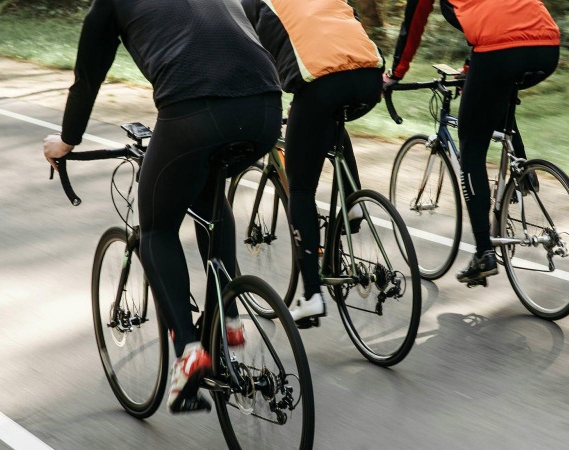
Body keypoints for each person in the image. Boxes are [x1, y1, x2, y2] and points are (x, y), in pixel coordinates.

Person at [42, 0, 282, 412]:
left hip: (194, 110)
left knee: (155, 229)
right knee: (209, 192)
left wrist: (66, 142)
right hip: (265, 108)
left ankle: (190, 354)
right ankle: (228, 320)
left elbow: (87, 79)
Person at [385, 0, 560, 285]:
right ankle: (522, 168)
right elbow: (499, 14)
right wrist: (471, 67)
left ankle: (483, 253)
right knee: (495, 91)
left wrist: (396, 73)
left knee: (471, 145)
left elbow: (414, 22)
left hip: (500, 50)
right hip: (547, 44)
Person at [240, 0, 385, 328]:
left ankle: (312, 295)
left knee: (301, 190)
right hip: (370, 77)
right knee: (330, 121)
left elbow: (247, 54)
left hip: (320, 84)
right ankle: (352, 202)